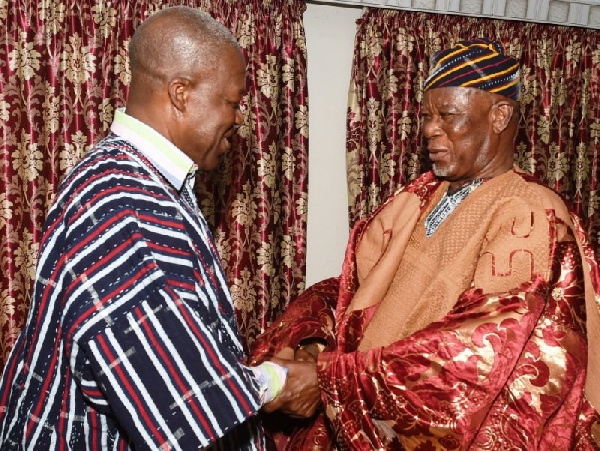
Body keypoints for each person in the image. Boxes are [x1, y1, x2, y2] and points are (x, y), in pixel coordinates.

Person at [252, 39, 600, 450]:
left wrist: (331, 380)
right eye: (428, 116)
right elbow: (354, 287)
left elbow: (473, 356)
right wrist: (313, 339)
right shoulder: (422, 195)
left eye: (448, 115)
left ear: (500, 115)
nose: (430, 130)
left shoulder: (528, 213)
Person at [0, 6, 291, 449]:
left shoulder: (142, 179)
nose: (237, 118)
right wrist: (281, 381)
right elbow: (177, 403)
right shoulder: (122, 200)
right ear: (181, 93)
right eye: (231, 102)